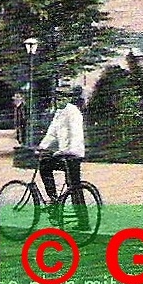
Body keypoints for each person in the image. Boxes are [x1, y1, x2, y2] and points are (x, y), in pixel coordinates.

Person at [38, 85, 86, 224]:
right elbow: (52, 133)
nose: (59, 101)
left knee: (74, 187)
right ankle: (54, 200)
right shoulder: (59, 113)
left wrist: (67, 151)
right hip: (64, 154)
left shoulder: (73, 112)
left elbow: (76, 135)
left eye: (63, 98)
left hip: (73, 154)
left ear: (69, 98)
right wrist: (42, 147)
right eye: (57, 98)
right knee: (44, 164)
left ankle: (83, 222)